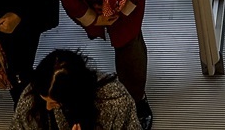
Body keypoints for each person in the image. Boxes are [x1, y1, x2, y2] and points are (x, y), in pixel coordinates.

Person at [12, 48, 140, 130]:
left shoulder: (115, 100)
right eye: (45, 100)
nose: (48, 108)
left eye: (54, 103)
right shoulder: (32, 94)